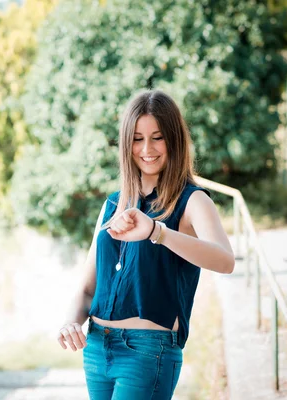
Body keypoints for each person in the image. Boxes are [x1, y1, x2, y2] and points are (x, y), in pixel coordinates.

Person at [57, 90, 234, 400]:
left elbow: (225, 260)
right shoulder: (113, 203)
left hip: (148, 351)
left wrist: (157, 231)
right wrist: (71, 322)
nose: (147, 149)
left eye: (158, 137)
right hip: (97, 348)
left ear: (174, 140)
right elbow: (88, 289)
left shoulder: (193, 200)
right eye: (137, 138)